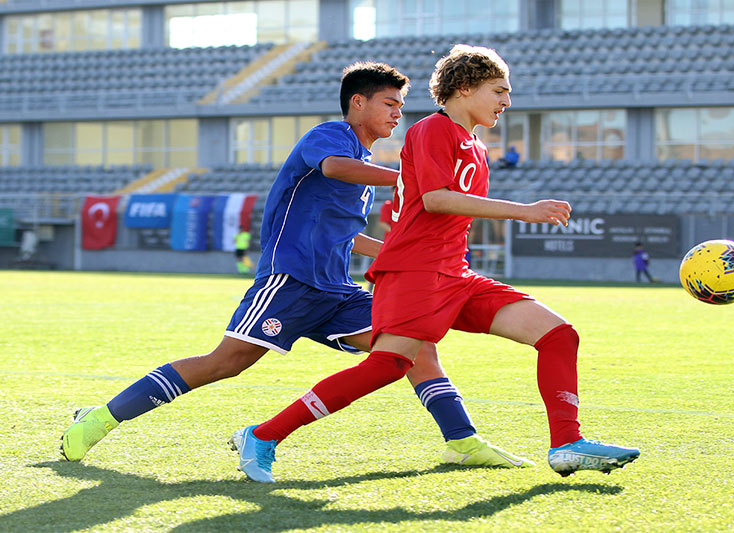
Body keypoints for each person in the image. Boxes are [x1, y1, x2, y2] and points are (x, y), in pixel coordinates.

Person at [60, 61, 530, 474]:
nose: (396, 114)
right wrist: (411, 175)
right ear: (358, 102)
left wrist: (397, 256)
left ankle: (463, 442)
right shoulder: (332, 136)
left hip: (336, 290)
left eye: (401, 106)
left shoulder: (364, 159)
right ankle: (100, 417)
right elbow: (333, 168)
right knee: (225, 363)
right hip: (289, 281)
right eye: (389, 103)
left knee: (412, 349)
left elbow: (347, 237)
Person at [235, 45, 639, 482]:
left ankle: (567, 444)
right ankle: (264, 435)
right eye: (499, 90)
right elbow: (436, 199)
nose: (507, 101)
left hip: (455, 274)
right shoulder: (432, 130)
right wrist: (525, 210)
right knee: (386, 366)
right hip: (416, 273)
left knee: (559, 335)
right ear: (463, 89)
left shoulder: (475, 146)